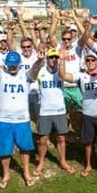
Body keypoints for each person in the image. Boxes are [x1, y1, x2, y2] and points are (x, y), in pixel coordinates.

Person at [0, 48, 44, 189]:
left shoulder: (25, 77)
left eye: (15, 64)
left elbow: (35, 70)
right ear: (6, 64)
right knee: (4, 150)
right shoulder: (0, 75)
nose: (12, 66)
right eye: (10, 64)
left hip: (22, 120)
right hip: (4, 120)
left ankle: (26, 172)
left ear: (19, 63)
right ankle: (6, 174)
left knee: (25, 148)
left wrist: (40, 59)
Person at [59, 47, 97, 178]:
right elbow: (63, 76)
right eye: (88, 60)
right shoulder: (81, 76)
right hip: (88, 114)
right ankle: (88, 165)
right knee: (88, 142)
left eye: (93, 60)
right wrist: (62, 59)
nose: (90, 62)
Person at [30, 48, 75, 176]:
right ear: (47, 58)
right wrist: (39, 60)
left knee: (61, 137)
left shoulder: (61, 72)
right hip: (44, 110)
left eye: (56, 57)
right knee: (43, 139)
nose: (54, 60)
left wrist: (63, 58)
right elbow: (32, 74)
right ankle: (41, 162)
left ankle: (63, 161)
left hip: (59, 110)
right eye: (51, 57)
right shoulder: (42, 71)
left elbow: (63, 73)